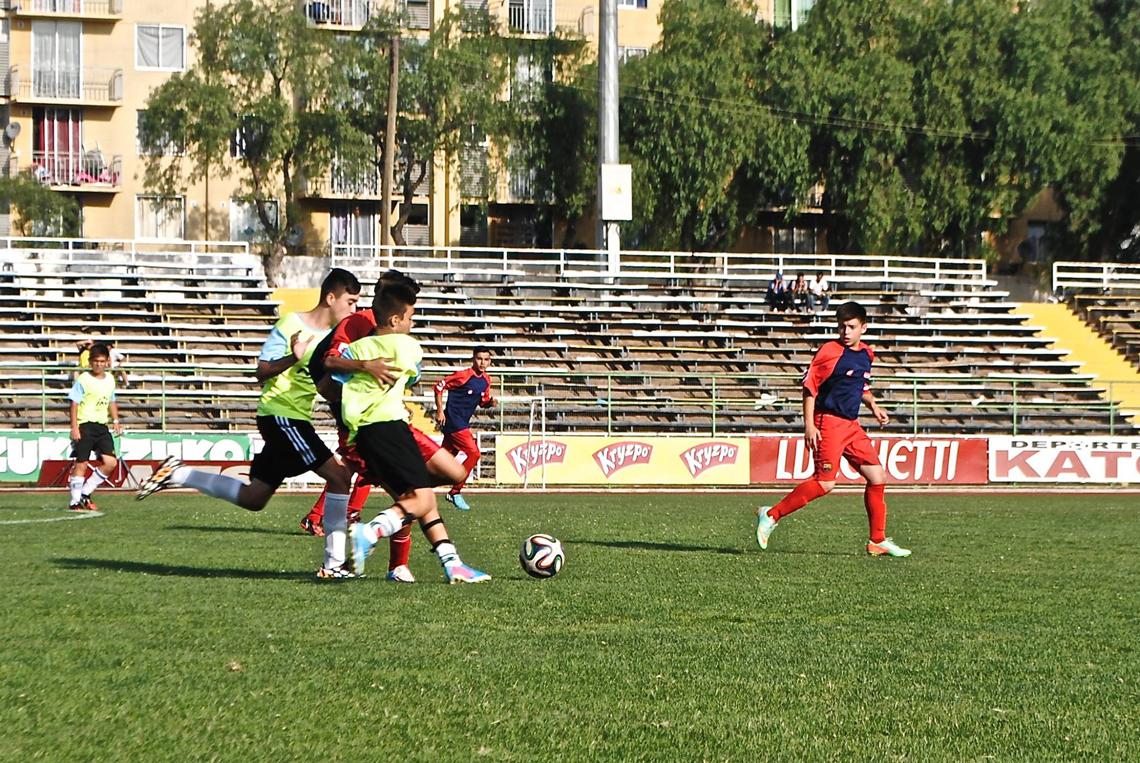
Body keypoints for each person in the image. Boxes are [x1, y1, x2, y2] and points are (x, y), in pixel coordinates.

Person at [137, 269, 363, 579]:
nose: (353, 310)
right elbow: (260, 371)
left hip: (292, 418)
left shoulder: (332, 339)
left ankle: (179, 472)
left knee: (254, 498)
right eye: (350, 302)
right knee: (339, 476)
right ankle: (334, 565)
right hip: (282, 416)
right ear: (331, 297)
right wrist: (292, 359)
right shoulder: (290, 324)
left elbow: (325, 385)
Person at [299, 269, 468, 583]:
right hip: (366, 426)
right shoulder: (359, 323)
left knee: (445, 479)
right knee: (413, 496)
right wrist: (363, 375)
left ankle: (424, 559)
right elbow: (329, 368)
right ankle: (409, 564)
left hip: (392, 421)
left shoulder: (393, 331)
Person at [344, 282, 490, 583]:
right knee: (422, 499)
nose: (412, 324)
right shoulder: (407, 346)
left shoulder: (355, 350)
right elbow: (415, 374)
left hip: (363, 434)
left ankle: (453, 564)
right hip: (388, 427)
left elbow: (331, 382)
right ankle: (369, 532)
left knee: (434, 487)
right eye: (410, 317)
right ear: (396, 320)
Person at [754, 301, 911, 558]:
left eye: (851, 327)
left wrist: (873, 405)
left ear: (864, 328)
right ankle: (771, 515)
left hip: (851, 425)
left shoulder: (867, 355)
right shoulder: (829, 351)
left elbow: (860, 386)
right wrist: (809, 424)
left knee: (877, 477)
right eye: (841, 327)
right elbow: (809, 387)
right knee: (825, 483)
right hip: (828, 421)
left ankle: (877, 540)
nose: (845, 332)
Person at [433, 347, 495, 511]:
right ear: (473, 359)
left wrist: (490, 403)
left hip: (461, 422)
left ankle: (413, 484)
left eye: (486, 359)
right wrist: (440, 411)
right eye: (479, 359)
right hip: (454, 422)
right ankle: (455, 491)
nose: (482, 363)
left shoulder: (486, 380)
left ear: (490, 362)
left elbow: (483, 402)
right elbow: (438, 387)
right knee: (474, 453)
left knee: (440, 461)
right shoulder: (463, 375)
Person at [67, 343, 122, 511]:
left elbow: (111, 401)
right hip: (85, 425)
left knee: (111, 462)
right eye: (95, 361)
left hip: (101, 426)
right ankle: (75, 501)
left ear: (107, 362)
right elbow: (74, 403)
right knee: (82, 463)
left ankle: (86, 492)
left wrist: (116, 420)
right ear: (90, 362)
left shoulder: (110, 380)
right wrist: (74, 427)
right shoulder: (84, 379)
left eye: (102, 361)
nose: (99, 364)